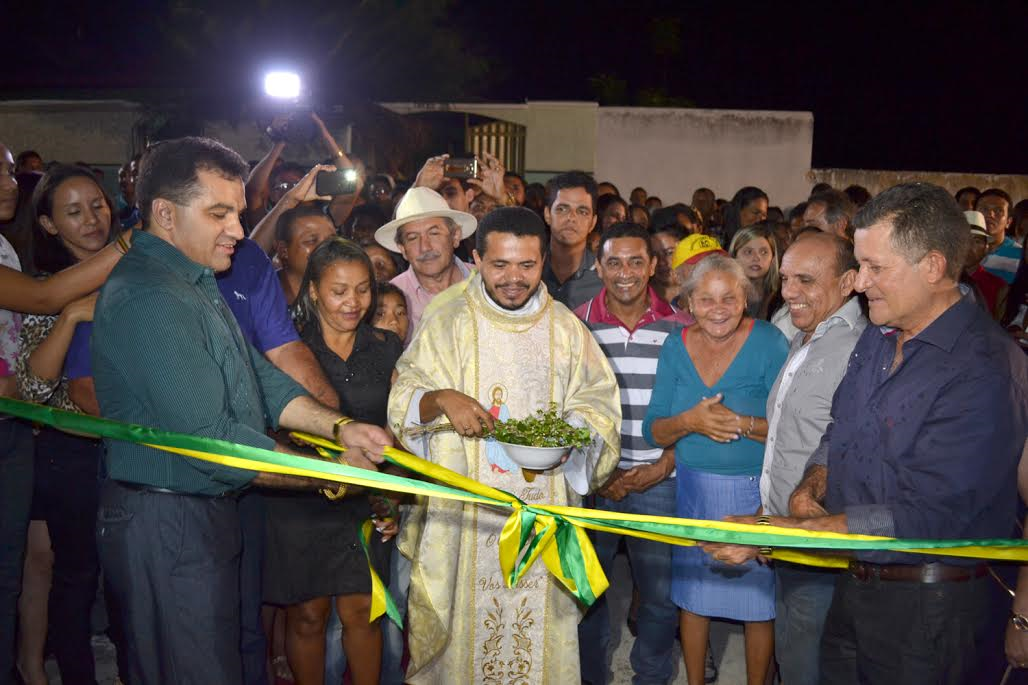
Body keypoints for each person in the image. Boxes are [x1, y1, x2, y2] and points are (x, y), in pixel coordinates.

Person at [90, 136, 391, 684]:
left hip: (201, 515)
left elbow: (260, 379)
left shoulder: (197, 281)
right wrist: (327, 471)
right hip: (169, 518)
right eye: (218, 213)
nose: (237, 229)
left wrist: (342, 427)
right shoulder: (151, 295)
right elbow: (212, 440)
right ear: (164, 213)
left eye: (238, 213)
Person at [753, 183, 1027, 685]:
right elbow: (840, 430)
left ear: (934, 266)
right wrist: (810, 487)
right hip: (858, 588)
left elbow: (938, 511)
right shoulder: (878, 340)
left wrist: (814, 531)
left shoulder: (985, 367)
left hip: (930, 611)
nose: (860, 284)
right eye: (860, 266)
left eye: (876, 268)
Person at [388, 207, 621, 684]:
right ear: (476, 257)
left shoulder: (565, 329)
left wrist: (573, 435)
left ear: (543, 261)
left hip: (545, 511)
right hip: (465, 520)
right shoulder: (448, 318)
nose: (514, 279)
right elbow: (403, 398)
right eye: (499, 265)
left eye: (527, 266)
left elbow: (599, 403)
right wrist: (440, 399)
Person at [702, 232, 866, 685]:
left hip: (821, 546)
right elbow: (790, 442)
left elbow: (847, 452)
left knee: (806, 665)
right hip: (784, 536)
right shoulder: (804, 336)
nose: (789, 291)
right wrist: (764, 516)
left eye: (806, 280)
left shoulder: (857, 349)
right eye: (787, 278)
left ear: (849, 281)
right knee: (792, 658)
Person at [643, 254, 788, 685]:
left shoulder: (769, 342)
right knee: (693, 597)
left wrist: (741, 424)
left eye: (729, 297)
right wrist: (692, 420)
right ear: (689, 302)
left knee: (758, 602)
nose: (718, 308)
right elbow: (655, 430)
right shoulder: (675, 345)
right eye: (706, 300)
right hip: (693, 491)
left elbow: (791, 429)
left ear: (745, 298)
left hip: (754, 492)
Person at [264, 238, 401, 685]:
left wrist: (392, 493)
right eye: (339, 290)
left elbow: (397, 431)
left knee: (364, 610)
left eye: (363, 289)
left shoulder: (386, 347)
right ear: (314, 291)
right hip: (301, 498)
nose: (353, 302)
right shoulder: (287, 350)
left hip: (367, 497)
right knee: (307, 615)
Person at [14, 164, 115, 685]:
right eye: (74, 212)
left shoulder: (138, 276)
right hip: (69, 455)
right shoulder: (41, 290)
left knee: (127, 577)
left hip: (132, 451)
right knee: (75, 577)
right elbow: (33, 388)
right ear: (50, 225)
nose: (92, 220)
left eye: (97, 205)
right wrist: (73, 314)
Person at [574, 223, 679, 685]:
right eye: (613, 262)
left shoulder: (681, 326)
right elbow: (564, 403)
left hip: (660, 481)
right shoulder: (575, 325)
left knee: (659, 597)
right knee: (587, 594)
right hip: (594, 482)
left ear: (653, 266)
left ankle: (650, 678)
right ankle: (592, 677)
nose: (625, 273)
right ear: (598, 266)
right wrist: (601, 470)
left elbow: (691, 405)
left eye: (637, 261)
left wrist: (664, 465)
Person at [374, 186, 477, 340]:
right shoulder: (391, 299)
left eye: (434, 233)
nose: (425, 247)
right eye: (413, 238)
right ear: (402, 249)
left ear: (455, 236)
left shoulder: (484, 282)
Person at [542, 170, 603, 310]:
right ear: (547, 215)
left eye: (582, 212)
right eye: (562, 209)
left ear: (592, 223)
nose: (572, 218)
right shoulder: (529, 269)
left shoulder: (604, 278)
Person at [274, 203, 337, 305]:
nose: (325, 247)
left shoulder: (343, 293)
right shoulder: (263, 293)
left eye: (331, 240)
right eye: (312, 240)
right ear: (283, 250)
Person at [730, 222, 781, 320]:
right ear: (734, 257)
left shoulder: (781, 295)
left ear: (773, 259)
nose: (756, 258)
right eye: (748, 252)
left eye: (763, 252)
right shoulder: (725, 295)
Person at [963, 210, 1009, 319]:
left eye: (977, 241)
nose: (968, 246)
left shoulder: (999, 287)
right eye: (964, 240)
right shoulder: (940, 279)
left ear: (987, 248)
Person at [977, 187, 1023, 284]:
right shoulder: (961, 250)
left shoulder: (1021, 256)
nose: (990, 214)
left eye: (998, 210)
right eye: (984, 209)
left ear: (1008, 222)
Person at [649, 223, 688, 305]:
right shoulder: (642, 298)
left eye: (670, 253)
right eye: (654, 255)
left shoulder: (702, 289)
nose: (662, 262)